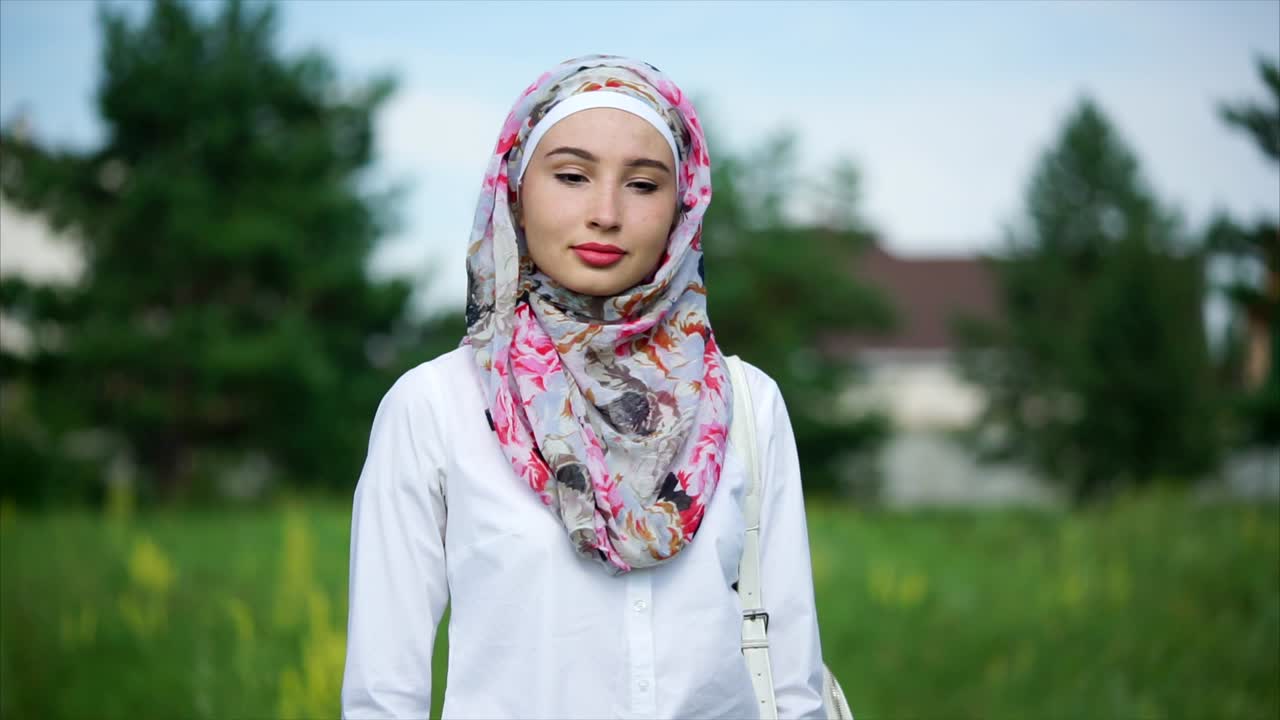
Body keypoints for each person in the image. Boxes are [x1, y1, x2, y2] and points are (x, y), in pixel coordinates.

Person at [341, 54, 827, 720]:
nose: (606, 213)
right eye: (572, 176)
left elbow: (794, 683)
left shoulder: (746, 404)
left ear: (683, 207)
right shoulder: (435, 406)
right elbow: (383, 695)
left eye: (644, 185)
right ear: (516, 192)